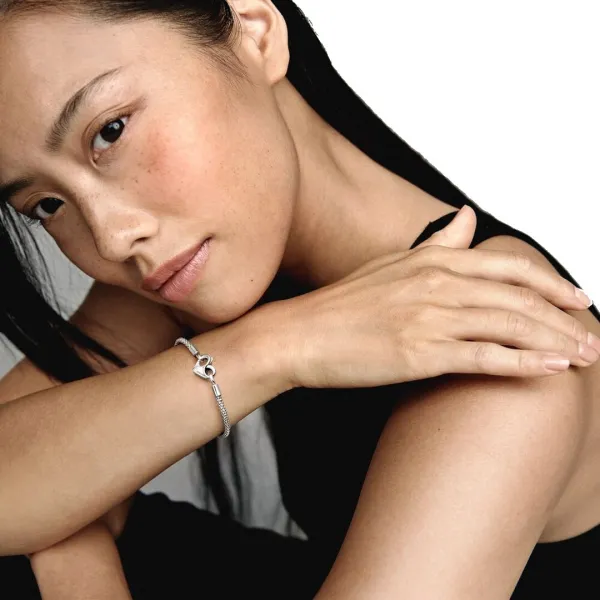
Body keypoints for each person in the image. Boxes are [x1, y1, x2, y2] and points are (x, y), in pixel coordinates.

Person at [0, 1, 597, 598]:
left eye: (110, 131)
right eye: (47, 205)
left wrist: (57, 523)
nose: (111, 237)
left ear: (255, 33)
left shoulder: (501, 335)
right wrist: (273, 348)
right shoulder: (189, 262)